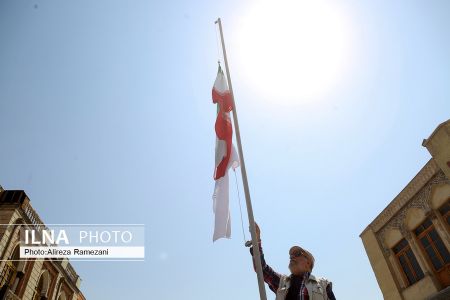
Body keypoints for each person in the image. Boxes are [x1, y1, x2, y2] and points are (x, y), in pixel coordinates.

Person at [249, 223, 336, 300]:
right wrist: (256, 240)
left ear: (308, 262)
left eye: (297, 254)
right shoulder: (281, 282)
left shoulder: (324, 285)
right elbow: (261, 269)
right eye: (291, 256)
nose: (292, 257)